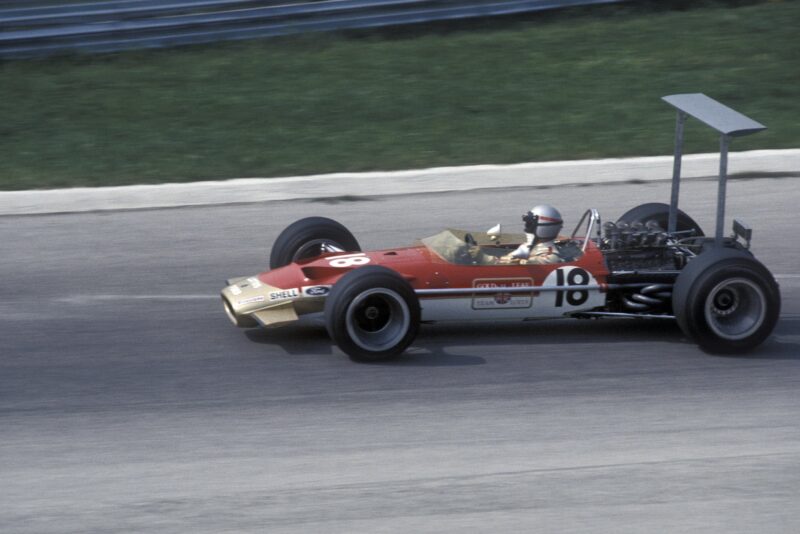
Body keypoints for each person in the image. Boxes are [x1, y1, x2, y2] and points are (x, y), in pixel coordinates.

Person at [499, 204, 566, 264]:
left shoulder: (551, 255)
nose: (527, 228)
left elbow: (530, 263)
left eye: (529, 225)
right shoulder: (527, 247)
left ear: (543, 228)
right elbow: (505, 259)